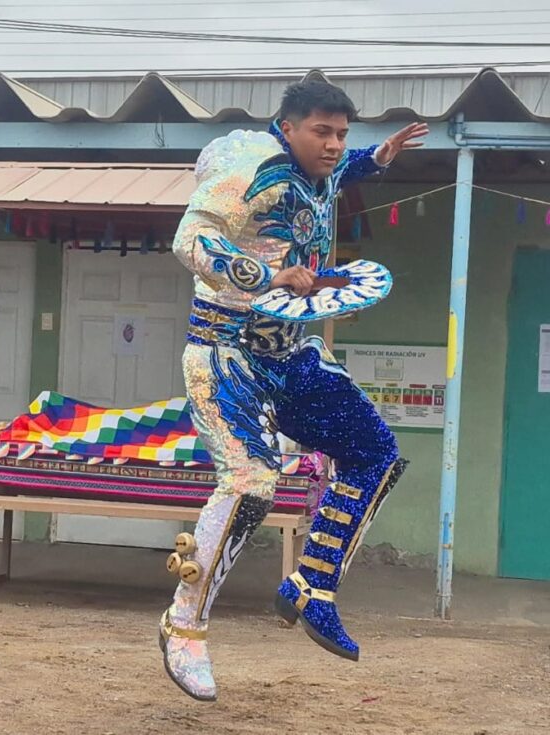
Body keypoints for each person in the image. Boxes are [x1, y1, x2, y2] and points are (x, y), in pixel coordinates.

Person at [160, 80, 428, 701]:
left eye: (342, 134)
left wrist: (378, 157)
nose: (335, 146)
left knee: (374, 451)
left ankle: (311, 587)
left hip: (294, 353)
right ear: (287, 127)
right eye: (323, 133)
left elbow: (342, 169)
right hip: (226, 354)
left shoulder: (327, 166)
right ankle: (184, 624)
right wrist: (266, 274)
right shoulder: (249, 169)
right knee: (253, 481)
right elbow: (189, 240)